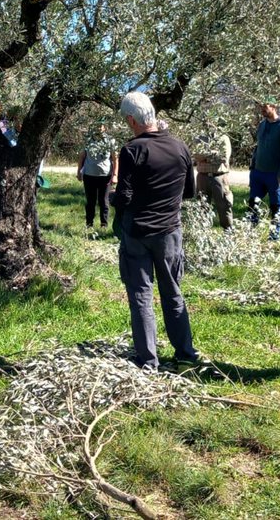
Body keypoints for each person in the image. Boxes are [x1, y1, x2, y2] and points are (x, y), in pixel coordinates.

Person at [111, 91, 199, 371]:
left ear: (131, 120)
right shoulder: (180, 147)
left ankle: (148, 360)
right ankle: (185, 352)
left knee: (141, 297)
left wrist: (111, 199)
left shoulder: (132, 150)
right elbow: (190, 192)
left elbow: (124, 198)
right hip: (170, 232)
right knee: (173, 292)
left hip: (137, 233)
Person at [248, 99, 280, 241]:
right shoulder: (262, 125)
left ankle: (274, 238)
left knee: (275, 207)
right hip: (257, 173)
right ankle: (250, 235)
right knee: (253, 204)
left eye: (265, 106)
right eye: (261, 106)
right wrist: (253, 168)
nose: (262, 109)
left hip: (274, 175)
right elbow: (258, 147)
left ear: (274, 107)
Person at [77, 124, 118, 231]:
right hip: (89, 175)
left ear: (105, 127)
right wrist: (79, 172)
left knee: (104, 201)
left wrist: (115, 175)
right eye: (96, 125)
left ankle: (104, 225)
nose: (98, 127)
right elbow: (82, 156)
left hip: (105, 176)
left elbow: (115, 159)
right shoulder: (88, 140)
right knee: (90, 201)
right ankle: (89, 224)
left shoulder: (110, 141)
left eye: (101, 125)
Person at [193, 123, 234, 230]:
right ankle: (203, 231)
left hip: (219, 177)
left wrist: (205, 156)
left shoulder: (223, 138)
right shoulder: (198, 137)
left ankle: (228, 231)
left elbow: (223, 157)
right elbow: (196, 155)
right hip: (202, 177)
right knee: (202, 206)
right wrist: (213, 154)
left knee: (224, 205)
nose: (209, 124)